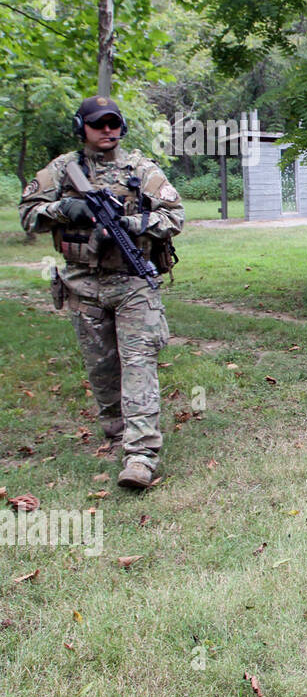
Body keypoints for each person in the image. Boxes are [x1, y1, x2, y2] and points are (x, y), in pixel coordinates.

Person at [18, 96, 185, 488]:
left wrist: (132, 223)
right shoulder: (63, 170)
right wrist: (64, 210)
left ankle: (141, 455)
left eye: (113, 124)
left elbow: (174, 216)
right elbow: (28, 214)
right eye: (98, 124)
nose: (107, 131)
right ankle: (115, 430)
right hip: (83, 285)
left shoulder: (141, 169)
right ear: (83, 128)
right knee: (102, 368)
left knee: (139, 363)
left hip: (132, 283)